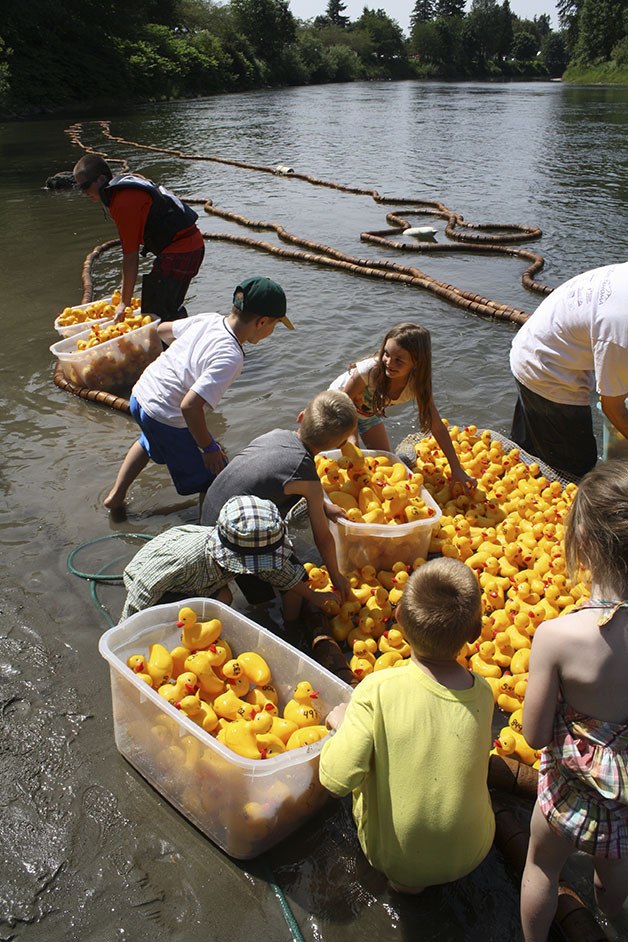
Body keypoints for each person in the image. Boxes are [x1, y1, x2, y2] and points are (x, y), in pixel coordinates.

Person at [319, 557, 495, 893]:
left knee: (366, 768)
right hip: (475, 850)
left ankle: (406, 884)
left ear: (397, 618)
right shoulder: (484, 693)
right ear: (475, 633)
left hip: (399, 860)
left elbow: (335, 779)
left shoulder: (378, 689)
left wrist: (342, 724)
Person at [520, 460, 628, 941]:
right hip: (626, 799)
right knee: (618, 863)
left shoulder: (557, 635)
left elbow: (534, 734)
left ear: (582, 543)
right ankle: (609, 915)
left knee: (541, 868)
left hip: (570, 795)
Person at [103, 276, 294, 511]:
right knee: (214, 475)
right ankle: (205, 531)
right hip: (166, 413)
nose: (271, 332)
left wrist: (183, 360)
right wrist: (208, 449)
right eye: (274, 325)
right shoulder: (231, 356)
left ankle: (116, 496)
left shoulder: (209, 319)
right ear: (261, 322)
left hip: (141, 395)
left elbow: (162, 330)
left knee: (147, 442)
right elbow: (190, 407)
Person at [200, 389, 358, 604]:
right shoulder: (306, 476)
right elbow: (323, 537)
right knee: (292, 582)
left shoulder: (275, 434)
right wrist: (336, 575)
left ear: (301, 417)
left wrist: (325, 506)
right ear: (339, 446)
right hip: (231, 534)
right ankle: (279, 618)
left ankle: (259, 599)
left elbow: (273, 477)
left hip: (210, 510)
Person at [119, 496, 340, 621]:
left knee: (224, 597)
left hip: (196, 583)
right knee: (172, 623)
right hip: (154, 583)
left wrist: (314, 597)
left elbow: (279, 573)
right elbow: (143, 591)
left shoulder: (242, 547)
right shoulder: (184, 560)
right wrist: (126, 633)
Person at [510, 262, 628, 480]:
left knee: (527, 454)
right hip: (546, 370)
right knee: (576, 465)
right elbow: (614, 408)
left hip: (538, 343)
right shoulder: (621, 330)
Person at [329, 322, 475, 494]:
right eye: (386, 354)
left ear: (416, 363)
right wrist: (352, 442)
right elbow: (345, 402)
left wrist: (456, 467)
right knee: (349, 460)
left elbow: (437, 426)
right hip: (338, 409)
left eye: (399, 360)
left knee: (385, 462)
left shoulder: (417, 385)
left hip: (369, 413)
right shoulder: (371, 370)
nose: (389, 363)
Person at [73, 154, 205, 323]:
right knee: (164, 307)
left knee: (157, 315)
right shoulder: (121, 190)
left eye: (85, 186)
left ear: (100, 179)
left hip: (183, 250)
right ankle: (180, 336)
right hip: (186, 247)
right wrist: (123, 295)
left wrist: (123, 303)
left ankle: (180, 343)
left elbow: (130, 256)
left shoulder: (122, 201)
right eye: (79, 188)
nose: (84, 193)